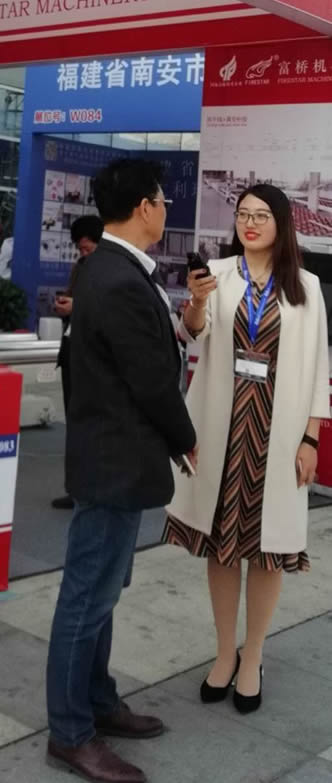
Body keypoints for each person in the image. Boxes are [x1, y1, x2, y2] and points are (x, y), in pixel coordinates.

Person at [46, 159, 197, 783]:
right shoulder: (119, 279)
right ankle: (70, 733)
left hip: (113, 457)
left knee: (102, 594)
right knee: (86, 598)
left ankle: (98, 701)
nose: (165, 211)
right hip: (113, 462)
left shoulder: (107, 268)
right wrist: (186, 438)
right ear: (143, 207)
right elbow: (151, 379)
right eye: (162, 201)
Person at [164, 184, 329, 714]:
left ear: (281, 223)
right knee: (221, 544)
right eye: (242, 214)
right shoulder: (219, 274)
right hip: (224, 426)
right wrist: (197, 302)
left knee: (267, 548)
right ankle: (223, 652)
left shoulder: (305, 285)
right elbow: (193, 334)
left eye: (261, 215)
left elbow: (319, 365)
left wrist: (311, 437)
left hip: (278, 432)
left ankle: (252, 654)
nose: (250, 223)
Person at [51, 214, 104, 510]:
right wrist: (66, 305)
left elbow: (111, 309)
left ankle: (90, 487)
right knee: (74, 421)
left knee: (90, 424)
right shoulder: (80, 267)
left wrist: (79, 306)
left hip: (93, 355)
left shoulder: (111, 270)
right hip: (72, 349)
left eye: (87, 248)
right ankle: (75, 487)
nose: (83, 254)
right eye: (80, 249)